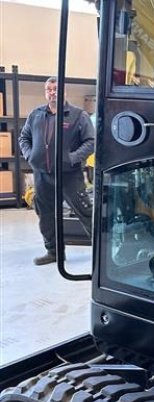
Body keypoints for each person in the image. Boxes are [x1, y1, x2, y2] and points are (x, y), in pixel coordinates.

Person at [18, 76, 95, 265]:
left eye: (56, 89)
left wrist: (72, 158)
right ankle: (53, 252)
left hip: (70, 176)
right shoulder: (36, 115)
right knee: (45, 215)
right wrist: (30, 156)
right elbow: (23, 138)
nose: (52, 92)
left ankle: (102, 253)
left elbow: (91, 142)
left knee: (85, 212)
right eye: (49, 89)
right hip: (43, 176)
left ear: (64, 92)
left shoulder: (78, 115)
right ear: (46, 92)